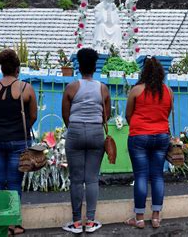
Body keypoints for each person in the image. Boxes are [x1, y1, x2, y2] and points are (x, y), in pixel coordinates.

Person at [0, 48, 37, 236]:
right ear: (17, 69)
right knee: (14, 183)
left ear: (2, 68)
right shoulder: (26, 88)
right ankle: (14, 225)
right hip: (18, 142)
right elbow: (33, 116)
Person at [61, 48, 111, 234]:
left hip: (74, 132)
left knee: (75, 180)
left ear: (79, 66)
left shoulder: (71, 87)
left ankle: (75, 222)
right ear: (95, 66)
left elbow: (65, 114)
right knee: (91, 179)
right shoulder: (102, 88)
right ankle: (90, 221)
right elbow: (108, 114)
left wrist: (74, 128)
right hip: (96, 132)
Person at [125, 56, 172, 229]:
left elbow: (128, 115)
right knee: (158, 175)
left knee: (141, 176)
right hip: (161, 137)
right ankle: (156, 217)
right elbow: (166, 114)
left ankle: (138, 218)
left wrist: (138, 128)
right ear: (160, 73)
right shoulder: (168, 91)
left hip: (139, 137)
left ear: (143, 72)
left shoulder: (136, 90)